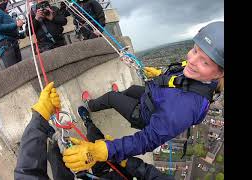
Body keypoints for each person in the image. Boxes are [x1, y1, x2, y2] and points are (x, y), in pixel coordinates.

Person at [62, 21, 224, 171]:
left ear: (219, 74)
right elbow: (182, 79)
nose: (192, 60)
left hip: (146, 113)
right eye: (195, 50)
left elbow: (147, 140)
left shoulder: (184, 107)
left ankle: (90, 105)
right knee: (131, 90)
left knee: (112, 97)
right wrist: (161, 74)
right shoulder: (202, 78)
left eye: (205, 62)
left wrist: (103, 150)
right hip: (154, 97)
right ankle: (120, 96)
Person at [14, 82, 175, 180]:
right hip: (120, 173)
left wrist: (39, 120)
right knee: (94, 137)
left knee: (58, 158)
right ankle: (87, 122)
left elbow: (28, 174)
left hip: (102, 175)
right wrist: (124, 160)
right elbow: (149, 174)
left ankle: (53, 139)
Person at [0, 0, 24, 68]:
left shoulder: (3, 13)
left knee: (20, 69)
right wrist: (15, 25)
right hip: (5, 44)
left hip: (11, 43)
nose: (5, 2)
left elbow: (11, 32)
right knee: (14, 70)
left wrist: (23, 34)